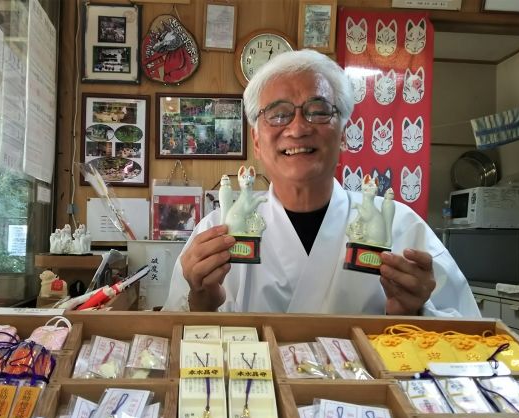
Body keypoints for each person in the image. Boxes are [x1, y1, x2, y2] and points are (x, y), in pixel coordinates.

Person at [163, 49, 480, 317]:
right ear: (257, 141)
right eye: (278, 114)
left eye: (318, 112)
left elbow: (469, 341)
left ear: (343, 134)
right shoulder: (217, 232)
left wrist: (417, 312)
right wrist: (200, 301)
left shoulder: (402, 229)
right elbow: (170, 343)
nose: (298, 128)